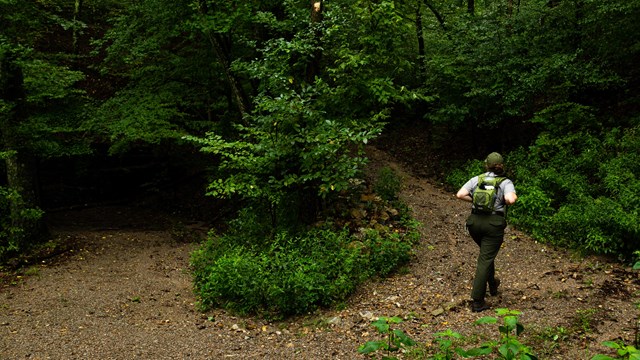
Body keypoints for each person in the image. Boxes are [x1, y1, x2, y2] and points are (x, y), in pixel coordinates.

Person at [456, 152, 518, 312]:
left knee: (486, 255)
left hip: (474, 224)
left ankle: (493, 284)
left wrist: (475, 199)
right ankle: (477, 301)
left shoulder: (477, 179)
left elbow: (460, 194)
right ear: (501, 165)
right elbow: (511, 200)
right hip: (493, 225)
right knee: (485, 259)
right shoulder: (505, 182)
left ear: (486, 165)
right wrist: (503, 200)